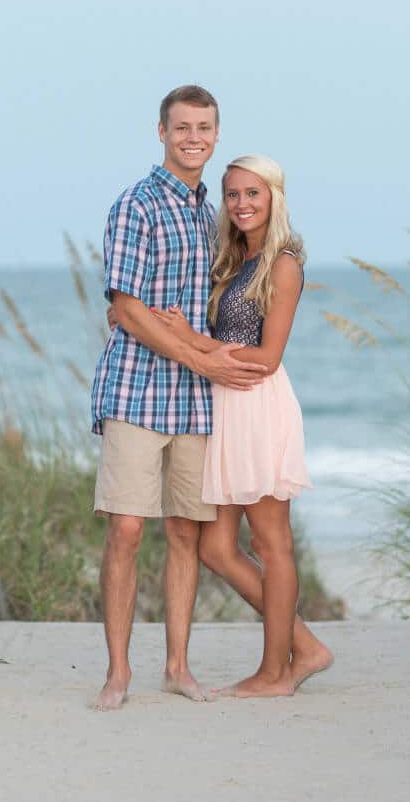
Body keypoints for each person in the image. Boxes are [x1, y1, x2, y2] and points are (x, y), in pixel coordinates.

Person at [88, 85, 270, 712]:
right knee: (127, 530)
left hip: (196, 403)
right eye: (182, 127)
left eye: (204, 128)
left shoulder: (213, 214)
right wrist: (197, 354)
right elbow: (126, 308)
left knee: (188, 535)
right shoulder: (135, 205)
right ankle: (117, 674)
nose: (194, 137)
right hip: (137, 391)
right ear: (161, 132)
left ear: (216, 135)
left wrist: (210, 350)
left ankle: (177, 667)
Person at [149, 154, 333, 697]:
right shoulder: (233, 259)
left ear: (274, 196)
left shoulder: (284, 263)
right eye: (232, 195)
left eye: (253, 193)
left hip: (257, 403)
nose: (242, 203)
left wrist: (194, 341)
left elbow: (267, 357)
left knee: (272, 542)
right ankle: (308, 647)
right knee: (216, 549)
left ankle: (276, 673)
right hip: (224, 408)